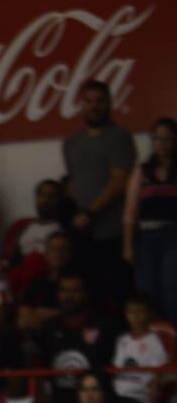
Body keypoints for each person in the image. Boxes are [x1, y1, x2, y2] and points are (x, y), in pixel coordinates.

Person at [63, 80, 137, 292]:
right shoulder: (71, 143)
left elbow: (120, 181)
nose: (94, 106)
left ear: (109, 104)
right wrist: (73, 215)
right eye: (89, 101)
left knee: (117, 293)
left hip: (114, 232)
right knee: (89, 293)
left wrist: (90, 213)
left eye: (99, 101)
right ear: (82, 105)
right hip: (83, 234)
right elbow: (73, 182)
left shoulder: (120, 137)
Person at [126, 117, 177, 316]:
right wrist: (128, 246)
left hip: (173, 235)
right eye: (157, 139)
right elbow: (130, 213)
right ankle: (152, 339)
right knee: (147, 291)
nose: (162, 144)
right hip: (146, 236)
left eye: (168, 139)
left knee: (171, 289)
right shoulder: (143, 171)